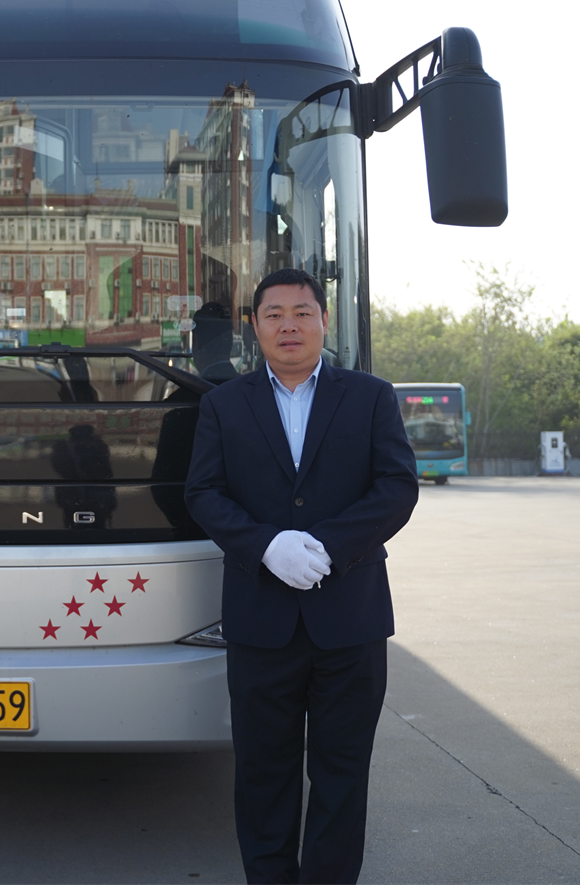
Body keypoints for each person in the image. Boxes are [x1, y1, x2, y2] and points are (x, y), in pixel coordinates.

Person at [184, 268, 419, 884]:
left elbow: (397, 487)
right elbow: (203, 493)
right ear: (254, 326)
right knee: (264, 774)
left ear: (323, 320)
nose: (288, 325)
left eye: (302, 312)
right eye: (274, 314)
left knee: (342, 774)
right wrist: (267, 546)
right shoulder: (223, 405)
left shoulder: (370, 396)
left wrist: (325, 548)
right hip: (261, 623)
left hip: (351, 620)